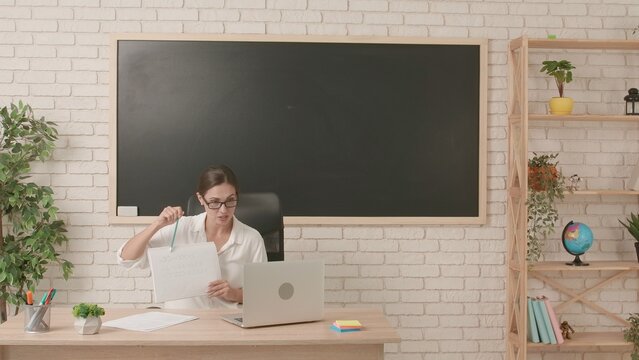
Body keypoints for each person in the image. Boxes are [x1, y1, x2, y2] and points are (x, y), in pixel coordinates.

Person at [117, 165, 268, 309]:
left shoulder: (251, 239)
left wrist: (234, 294)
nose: (223, 210)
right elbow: (126, 259)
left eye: (230, 201)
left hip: (227, 323)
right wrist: (157, 224)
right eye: (214, 202)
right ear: (201, 199)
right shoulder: (180, 228)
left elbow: (263, 294)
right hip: (181, 322)